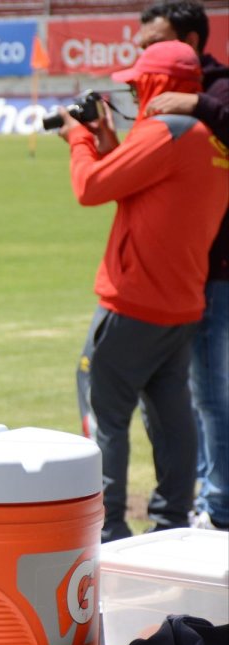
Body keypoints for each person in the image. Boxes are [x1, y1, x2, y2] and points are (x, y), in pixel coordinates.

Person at [60, 40, 228, 542]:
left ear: (158, 84)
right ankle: (171, 523)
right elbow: (143, 189)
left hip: (133, 302)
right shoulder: (210, 140)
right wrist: (110, 139)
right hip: (181, 304)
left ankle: (107, 525)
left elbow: (91, 187)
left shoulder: (167, 131)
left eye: (138, 84)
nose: (132, 91)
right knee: (171, 414)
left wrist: (78, 140)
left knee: (103, 412)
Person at [134, 0, 229, 532]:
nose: (147, 54)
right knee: (192, 392)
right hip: (184, 271)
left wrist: (195, 102)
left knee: (210, 392)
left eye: (156, 42)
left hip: (215, 270)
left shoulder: (216, 90)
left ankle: (218, 507)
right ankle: (203, 498)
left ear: (190, 42)